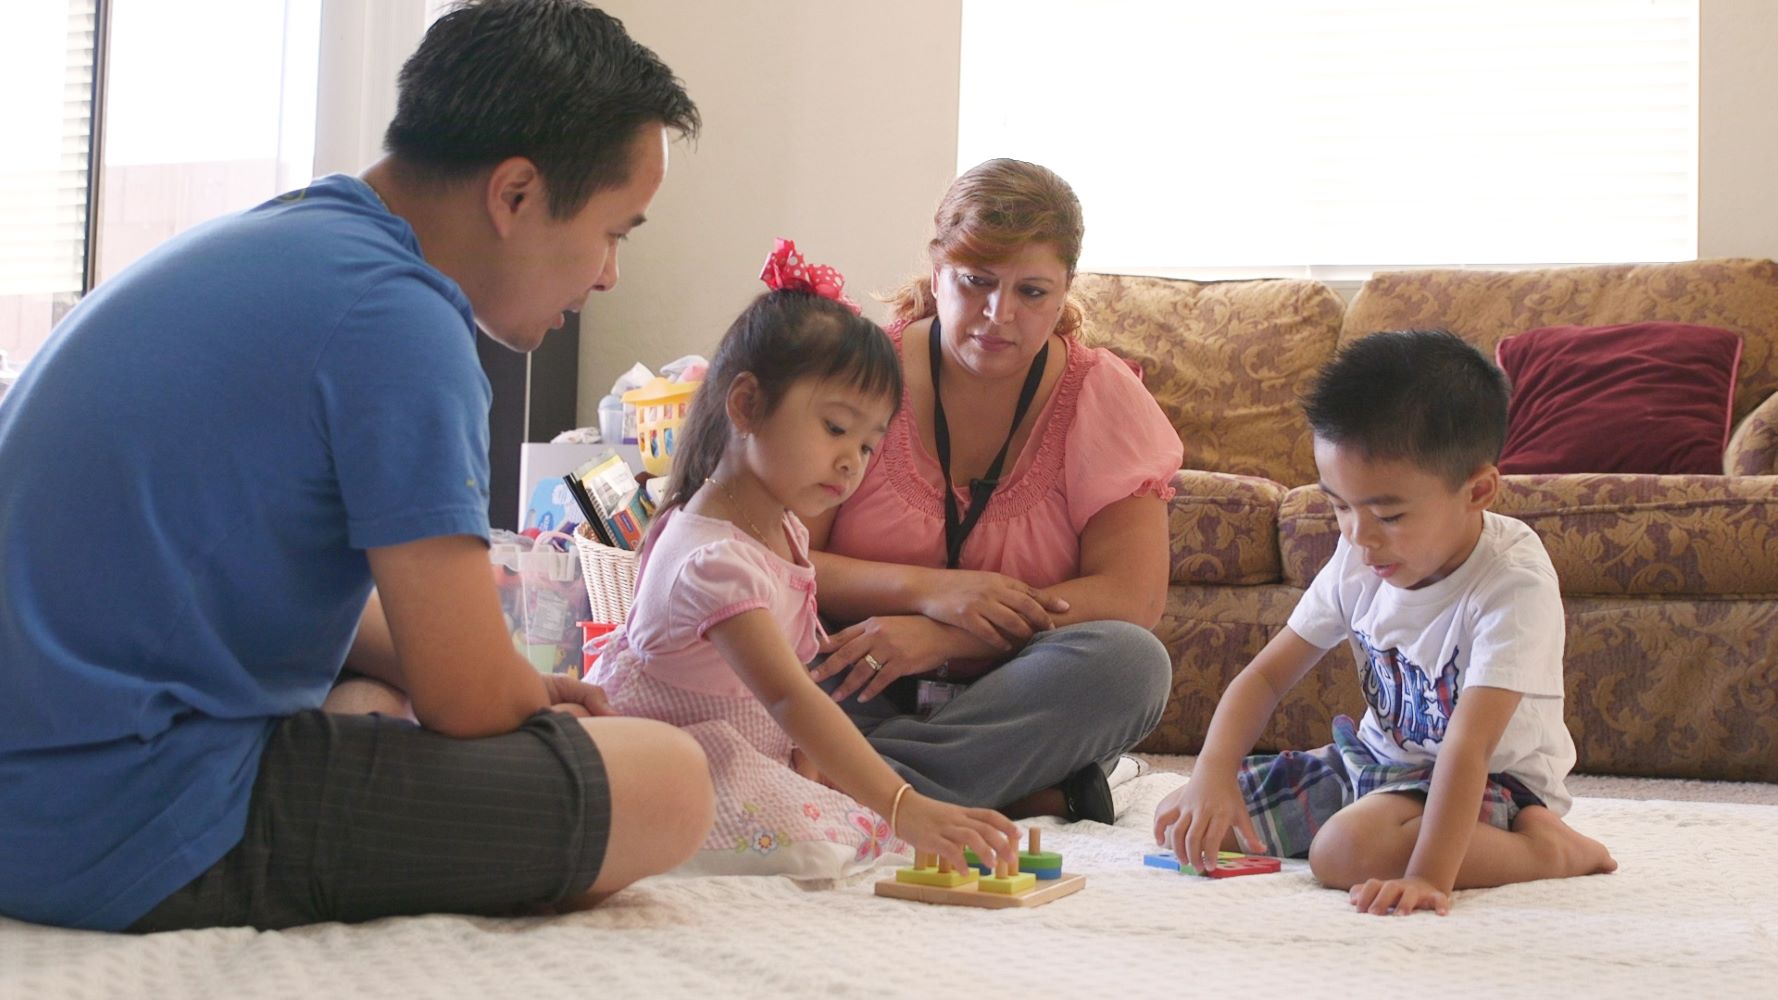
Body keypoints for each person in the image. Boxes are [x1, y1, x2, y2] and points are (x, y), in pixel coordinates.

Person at [0, 0, 714, 932]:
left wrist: (503, 682)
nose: (610, 274)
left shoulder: (291, 241)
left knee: (375, 692)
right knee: (670, 781)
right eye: (617, 231)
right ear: (515, 194)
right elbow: (468, 699)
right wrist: (521, 706)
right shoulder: (401, 320)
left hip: (40, 776)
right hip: (111, 818)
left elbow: (322, 609)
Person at [1152, 329, 1618, 916]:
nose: (1358, 536)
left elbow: (1468, 748)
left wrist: (1427, 877)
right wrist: (1211, 776)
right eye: (1339, 505)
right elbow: (1266, 678)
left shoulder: (1512, 580)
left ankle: (1548, 851)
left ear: (1478, 490)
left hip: (1492, 784)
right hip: (1375, 764)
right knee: (1186, 816)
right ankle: (1371, 825)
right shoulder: (1360, 556)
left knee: (1343, 853)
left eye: (1389, 514)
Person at [592, 241, 1021, 876]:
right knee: (828, 846)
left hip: (753, 744)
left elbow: (797, 686)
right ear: (746, 405)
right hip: (681, 757)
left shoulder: (783, 529)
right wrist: (905, 806)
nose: (852, 460)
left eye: (870, 444)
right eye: (836, 428)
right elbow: (790, 697)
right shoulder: (713, 560)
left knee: (849, 826)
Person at [806, 159, 1183, 823]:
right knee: (760, 656)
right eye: (975, 281)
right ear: (937, 267)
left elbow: (1133, 596)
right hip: (864, 672)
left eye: (1032, 293)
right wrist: (929, 593)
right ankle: (1012, 790)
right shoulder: (860, 373)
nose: (997, 314)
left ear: (1066, 290)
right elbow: (790, 560)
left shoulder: (1101, 393)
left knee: (1131, 665)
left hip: (1014, 687)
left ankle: (839, 785)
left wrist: (946, 636)